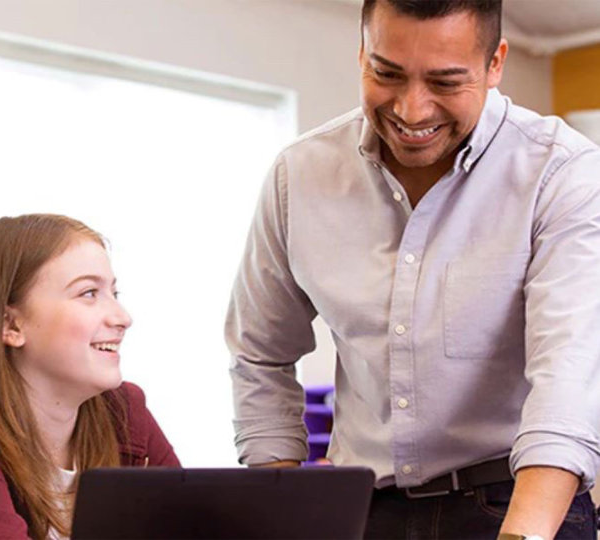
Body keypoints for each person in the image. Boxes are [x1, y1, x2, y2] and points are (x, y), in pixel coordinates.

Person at [226, 1, 600, 538]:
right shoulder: (300, 176)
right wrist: (286, 507)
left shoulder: (562, 174)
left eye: (446, 82)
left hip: (518, 499)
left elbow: (568, 377)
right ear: (362, 52)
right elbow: (259, 354)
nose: (413, 109)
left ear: (495, 63)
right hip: (362, 509)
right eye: (387, 73)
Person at [0, 214, 180, 540]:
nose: (123, 318)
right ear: (10, 325)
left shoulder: (124, 409)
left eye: (115, 292)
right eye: (88, 293)